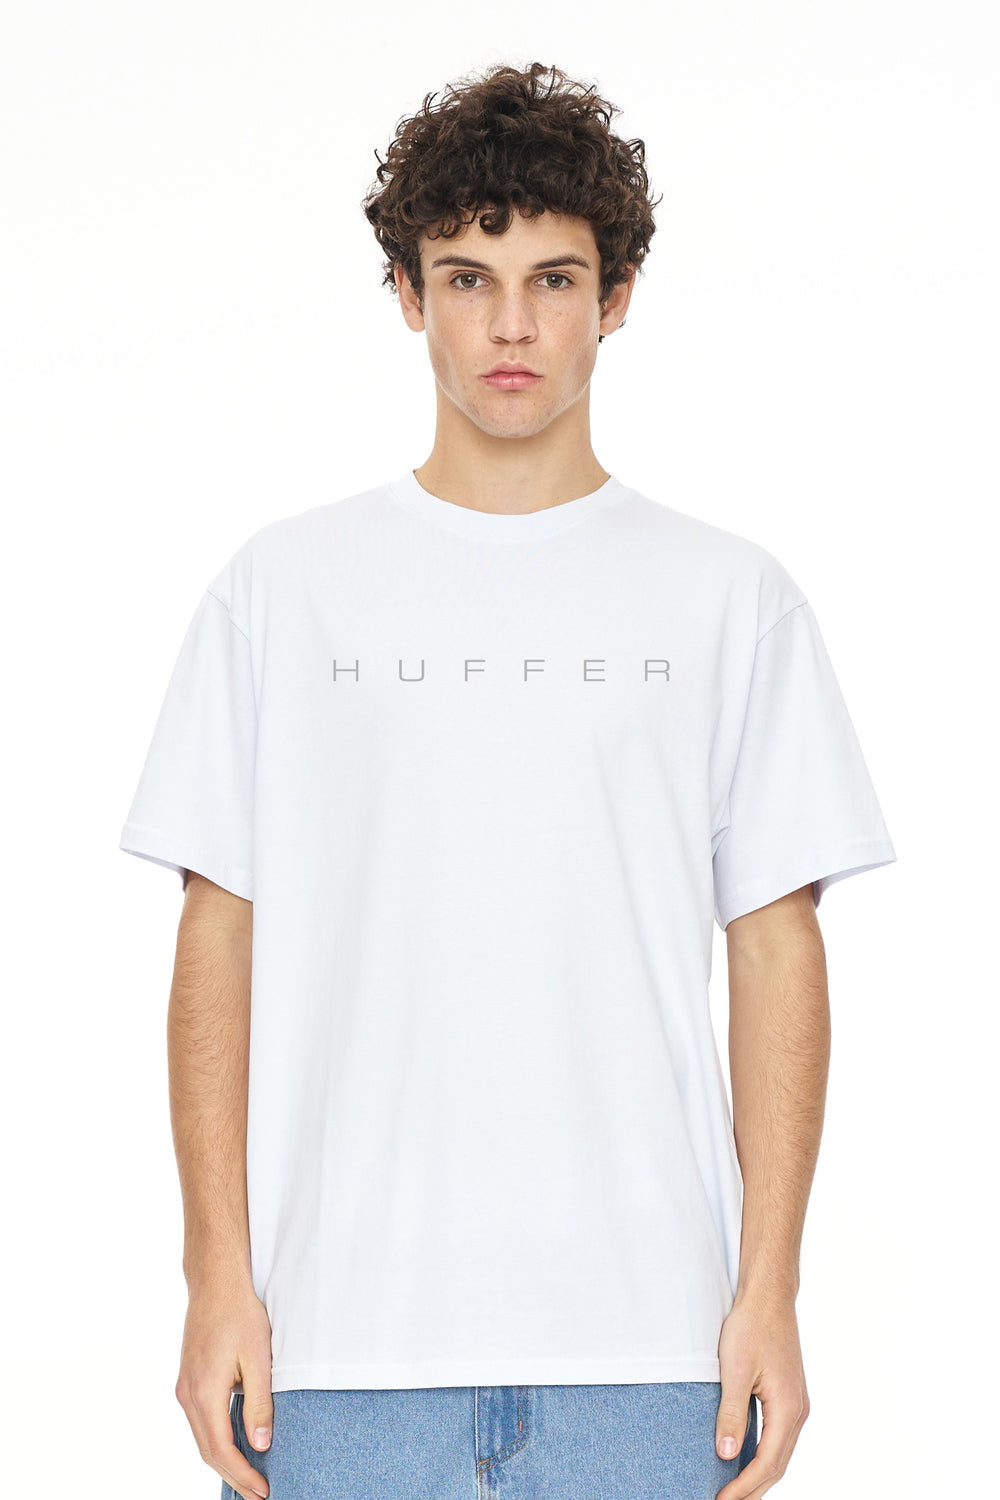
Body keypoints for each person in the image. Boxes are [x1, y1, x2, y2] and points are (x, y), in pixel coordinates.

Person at [119, 60, 897, 1500]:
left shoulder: (731, 599)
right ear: (408, 297)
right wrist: (213, 1275)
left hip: (655, 1355)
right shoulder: (281, 590)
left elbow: (777, 948)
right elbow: (215, 938)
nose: (513, 326)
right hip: (333, 1360)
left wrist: (772, 1289)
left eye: (555, 279)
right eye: (467, 280)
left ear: (618, 298)